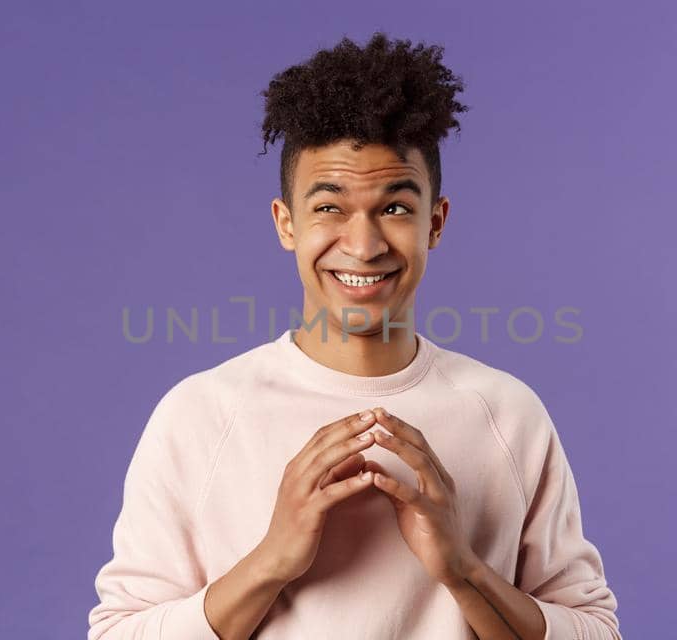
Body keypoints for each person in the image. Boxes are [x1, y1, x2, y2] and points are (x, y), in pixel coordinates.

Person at [88, 32, 623, 639]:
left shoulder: (508, 413)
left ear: (436, 223)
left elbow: (597, 632)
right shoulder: (200, 415)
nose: (364, 245)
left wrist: (462, 570)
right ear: (286, 223)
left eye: (394, 207)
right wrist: (272, 561)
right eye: (329, 207)